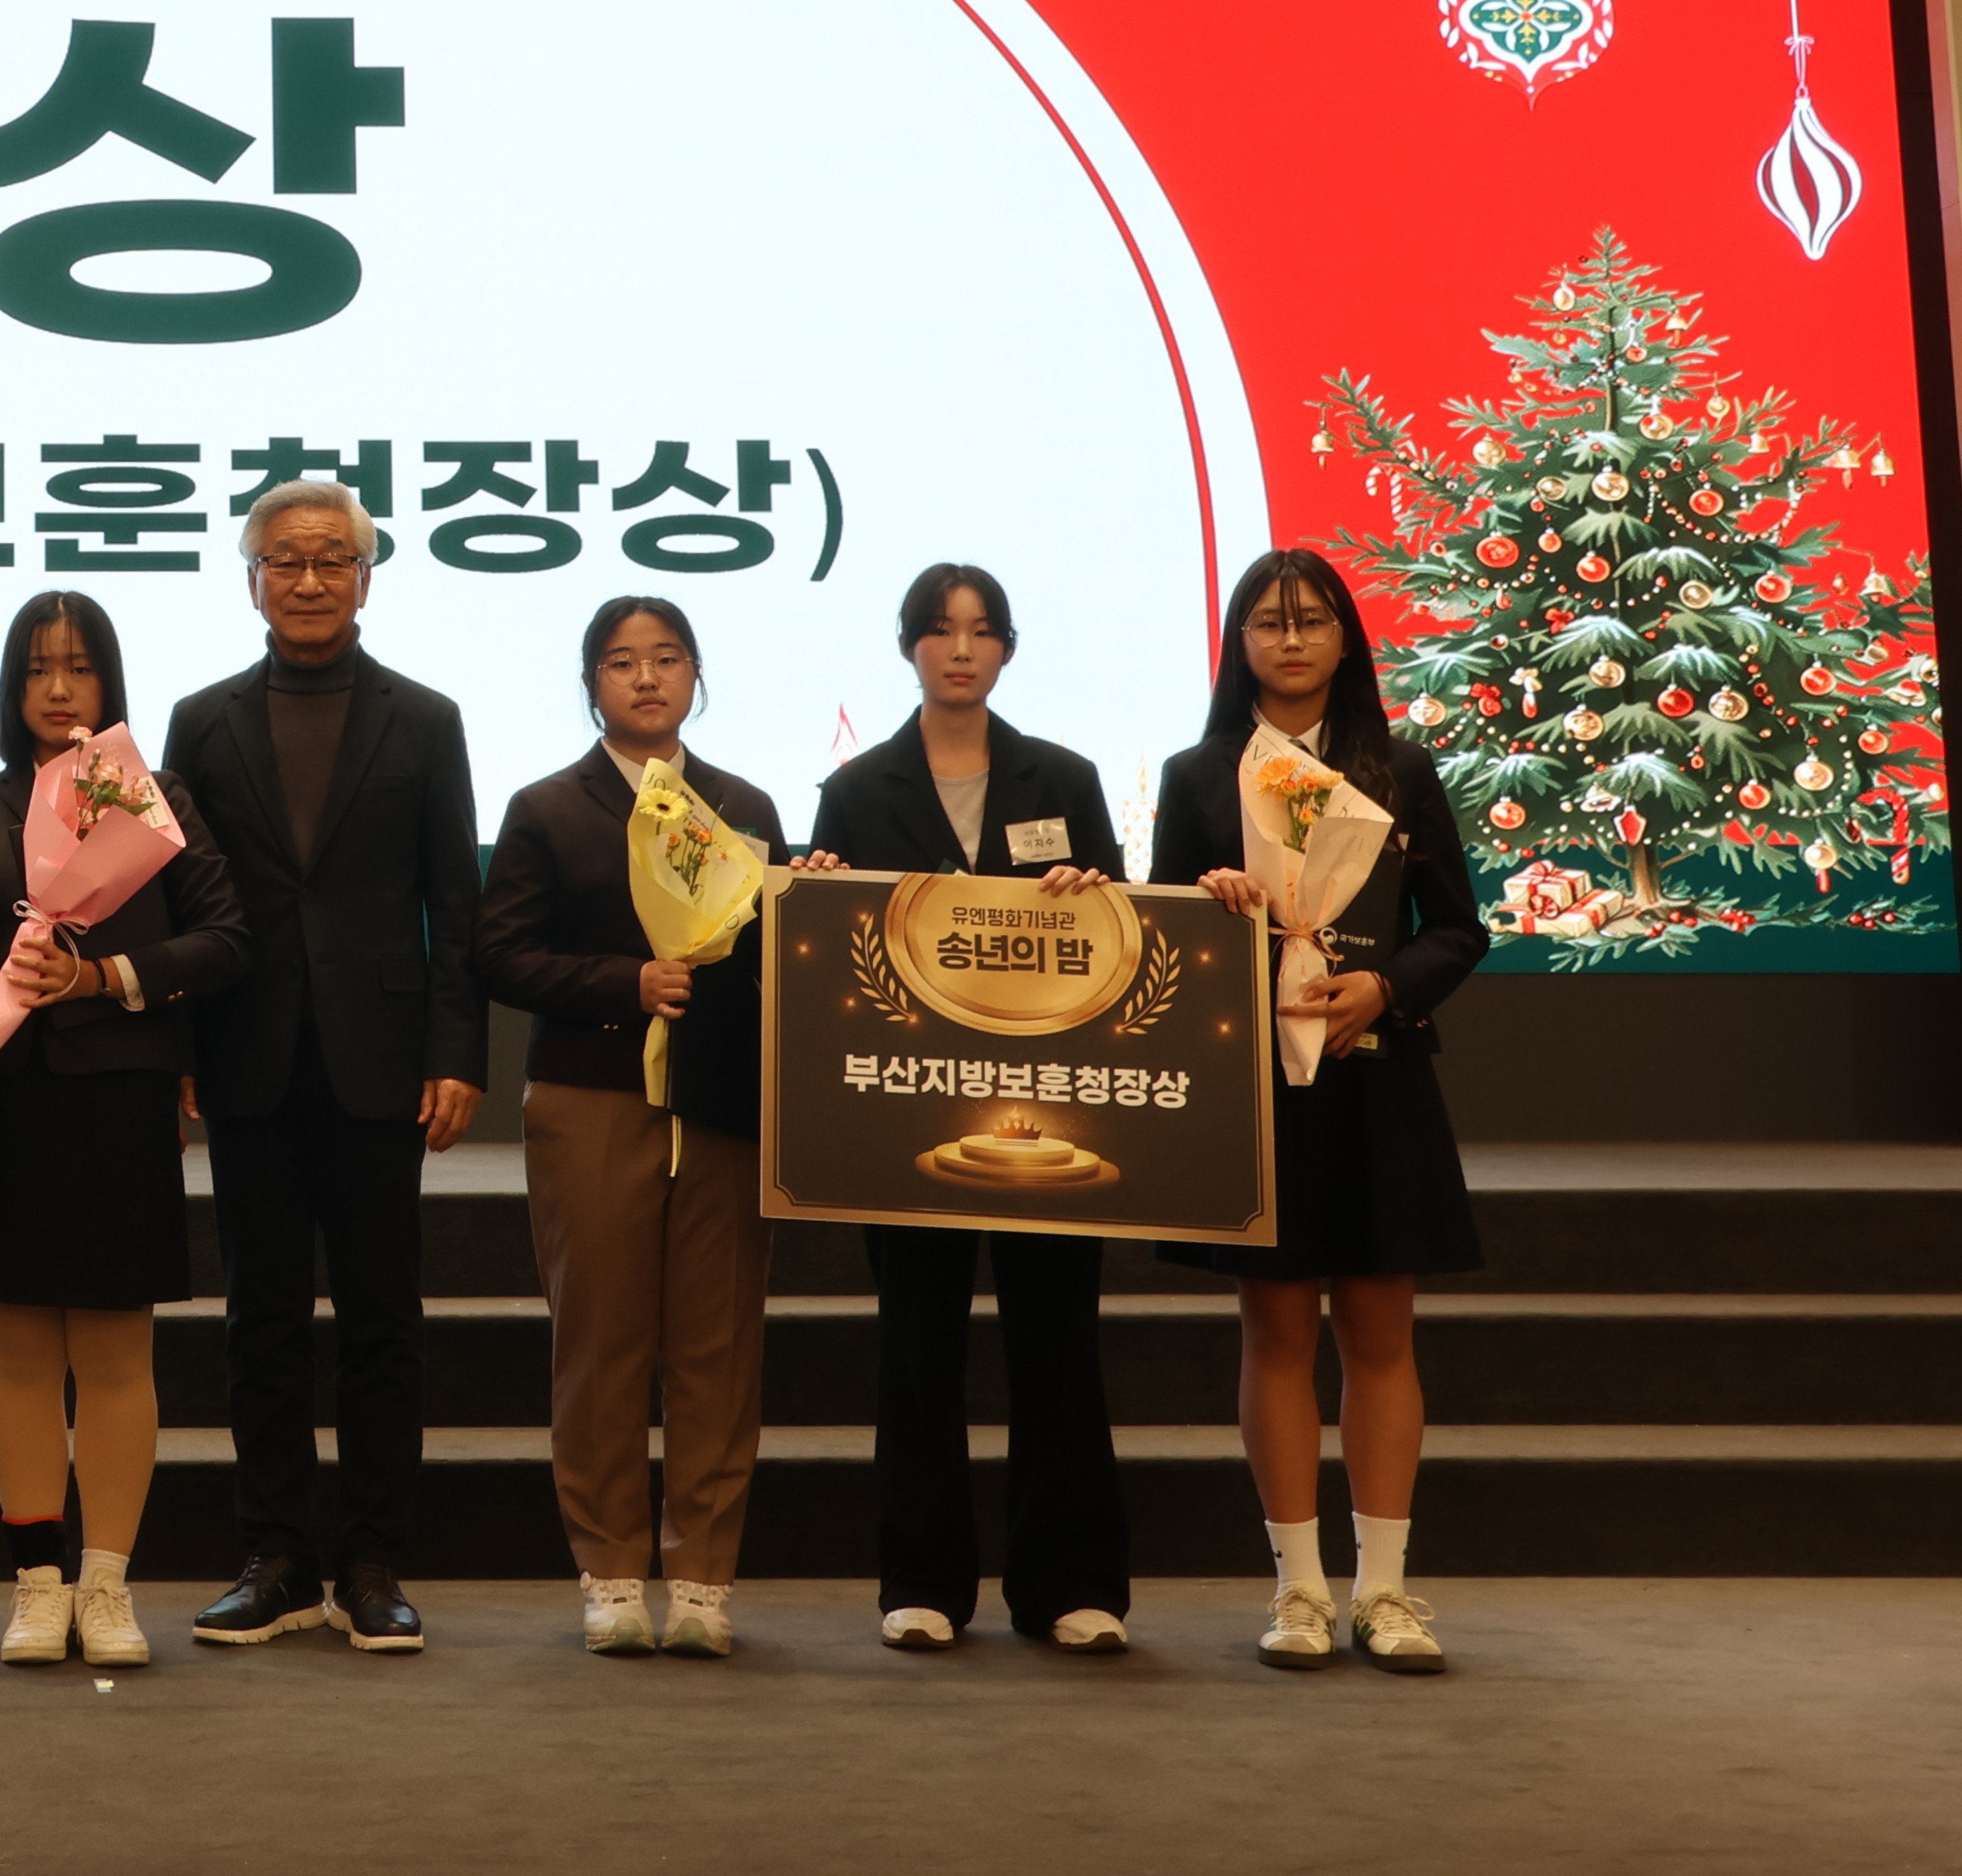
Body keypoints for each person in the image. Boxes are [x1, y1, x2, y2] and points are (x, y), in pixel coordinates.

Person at [160, 479, 486, 1654]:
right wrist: (184, 1046)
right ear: (252, 581)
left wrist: (458, 1052)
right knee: (261, 1319)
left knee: (383, 1319)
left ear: (365, 577)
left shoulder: (426, 718)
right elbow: (177, 898)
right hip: (247, 1051)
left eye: (330, 560)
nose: (309, 580)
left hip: (381, 1061)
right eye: (286, 561)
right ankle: (277, 1558)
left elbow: (456, 902)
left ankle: (374, 1563)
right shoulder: (201, 721)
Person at [1152, 547, 1490, 1676]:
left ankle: (1384, 1592)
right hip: (1259, 1085)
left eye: (1311, 620)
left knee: (1382, 1333)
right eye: (1267, 622)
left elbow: (1458, 930)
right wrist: (1208, 907)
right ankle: (1298, 1590)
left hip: (1379, 1078)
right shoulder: (1200, 777)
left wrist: (1385, 987)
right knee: (1277, 1331)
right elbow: (1160, 944)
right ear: (1238, 642)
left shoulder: (1400, 768)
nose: (1290, 640)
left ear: (1347, 637)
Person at [805, 561, 1132, 1656]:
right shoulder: (858, 790)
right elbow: (834, 958)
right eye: (940, 631)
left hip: (1051, 1112)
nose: (960, 649)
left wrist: (1096, 899)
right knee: (917, 1347)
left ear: (1007, 649)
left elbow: (1126, 941)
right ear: (909, 646)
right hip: (910, 1118)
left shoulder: (1065, 779)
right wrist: (819, 894)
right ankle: (923, 1581)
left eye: (982, 630)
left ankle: (1071, 1582)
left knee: (1059, 1342)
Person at [0, 592, 249, 1668]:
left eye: (80, 667)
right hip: (4, 1102)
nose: (59, 689)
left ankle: (106, 1588)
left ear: (110, 681)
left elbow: (226, 939)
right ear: (11, 687)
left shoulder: (155, 798)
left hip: (117, 1099)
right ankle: (36, 1584)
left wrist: (100, 977)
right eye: (37, 669)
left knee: (114, 1353)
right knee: (16, 1351)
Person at [477, 595, 787, 1659]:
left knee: (717, 1347)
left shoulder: (742, 807)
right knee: (601, 1344)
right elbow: (500, 955)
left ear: (697, 676)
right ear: (591, 684)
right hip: (592, 1098)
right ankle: (610, 1571)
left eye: (666, 658)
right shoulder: (547, 809)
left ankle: (702, 1579)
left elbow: (770, 960)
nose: (646, 677)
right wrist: (627, 983)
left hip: (723, 1108)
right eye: (620, 661)